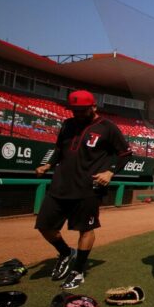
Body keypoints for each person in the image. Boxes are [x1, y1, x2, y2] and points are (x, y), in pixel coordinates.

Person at [34, 90, 132, 289]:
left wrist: (110, 172)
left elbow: (125, 153)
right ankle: (65, 252)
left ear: (93, 107)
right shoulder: (67, 124)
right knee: (45, 226)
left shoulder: (107, 127)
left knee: (85, 229)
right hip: (60, 185)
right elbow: (59, 149)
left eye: (81, 110)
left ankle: (78, 271)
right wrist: (47, 165)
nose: (77, 114)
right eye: (74, 110)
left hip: (88, 187)